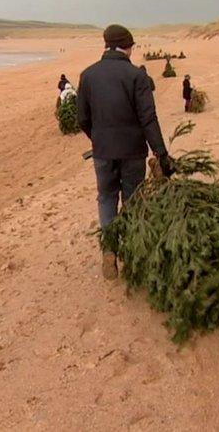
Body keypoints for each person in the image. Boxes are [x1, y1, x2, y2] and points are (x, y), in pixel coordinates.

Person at [77, 24, 174, 279]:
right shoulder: (136, 76)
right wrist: (161, 153)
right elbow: (148, 118)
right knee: (132, 199)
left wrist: (97, 138)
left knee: (107, 198)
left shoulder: (88, 75)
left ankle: (109, 250)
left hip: (103, 152)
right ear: (128, 46)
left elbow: (82, 119)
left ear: (106, 45)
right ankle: (131, 251)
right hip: (133, 151)